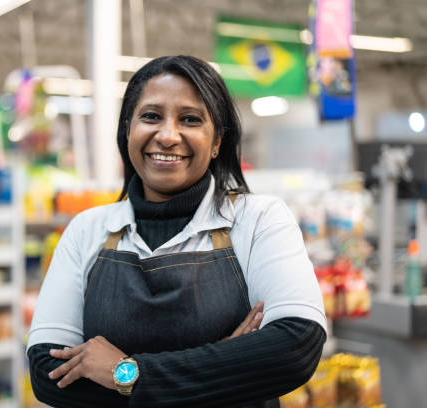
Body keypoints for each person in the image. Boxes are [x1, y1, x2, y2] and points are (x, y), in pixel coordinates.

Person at [27, 55, 327, 407]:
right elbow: (48, 373)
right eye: (151, 116)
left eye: (190, 119)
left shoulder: (258, 219)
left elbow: (294, 348)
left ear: (217, 141)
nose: (168, 136)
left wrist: (127, 373)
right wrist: (228, 366)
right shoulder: (86, 230)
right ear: (127, 131)